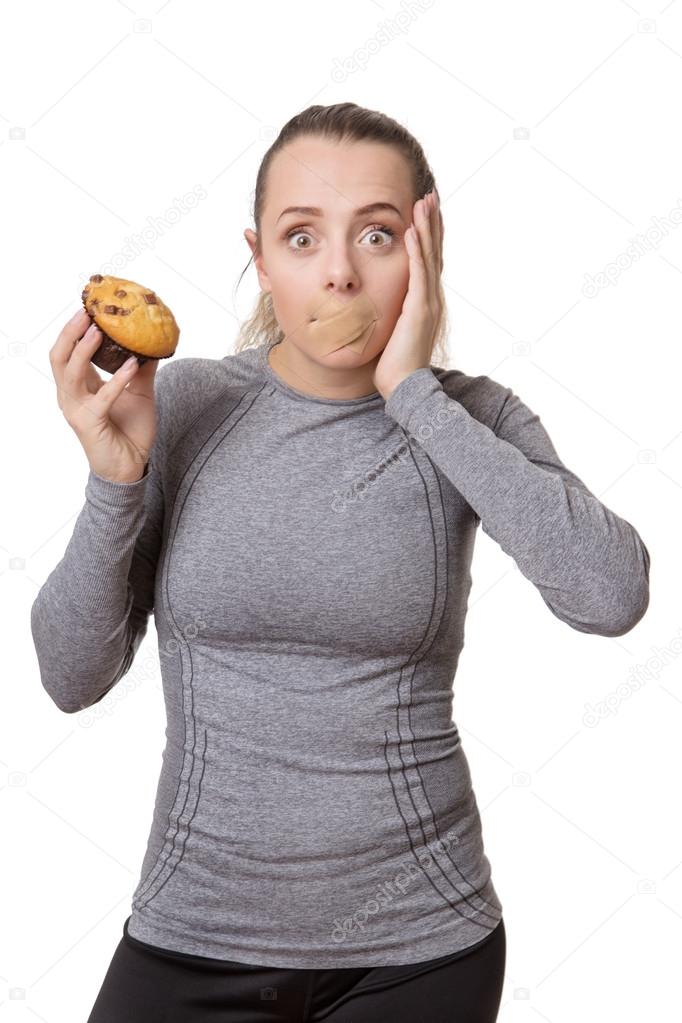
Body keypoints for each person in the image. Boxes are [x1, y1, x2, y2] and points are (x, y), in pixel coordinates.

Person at [31, 102, 650, 1023]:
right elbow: (71, 676)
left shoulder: (472, 416)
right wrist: (115, 479)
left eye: (377, 232)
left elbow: (612, 595)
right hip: (191, 936)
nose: (339, 270)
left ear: (428, 245)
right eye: (300, 236)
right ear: (260, 257)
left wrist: (414, 395)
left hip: (422, 956)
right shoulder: (187, 402)